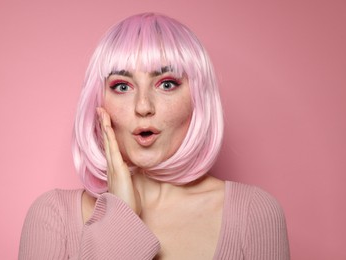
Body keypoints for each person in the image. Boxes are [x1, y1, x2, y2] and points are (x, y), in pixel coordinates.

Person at [19, 13, 290, 259]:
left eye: (167, 84)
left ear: (197, 99)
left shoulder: (254, 213)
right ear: (98, 101)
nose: (143, 106)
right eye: (122, 86)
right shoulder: (53, 216)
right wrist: (119, 217)